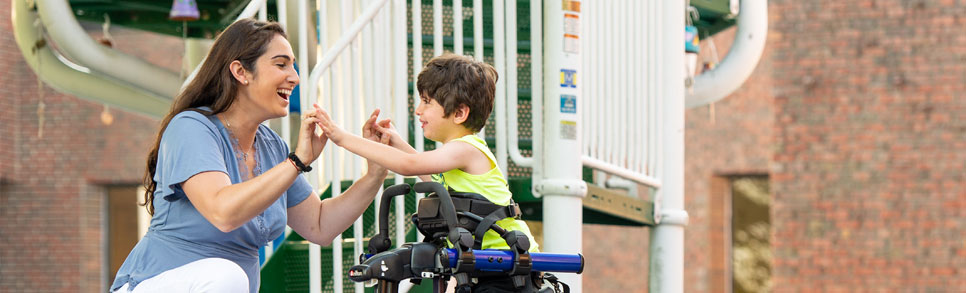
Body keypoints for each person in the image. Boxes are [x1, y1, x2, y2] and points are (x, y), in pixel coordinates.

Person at [111, 19, 388, 293]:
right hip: (155, 284)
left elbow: (319, 225)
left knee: (229, 277)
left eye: (293, 65)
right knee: (226, 275)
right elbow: (223, 212)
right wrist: (297, 162)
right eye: (281, 64)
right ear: (240, 72)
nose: (295, 76)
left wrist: (375, 173)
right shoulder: (191, 128)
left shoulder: (271, 146)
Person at [316, 54, 543, 292]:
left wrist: (341, 137)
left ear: (459, 113)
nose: (417, 110)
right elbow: (432, 179)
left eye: (426, 102)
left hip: (510, 269)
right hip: (487, 269)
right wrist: (397, 143)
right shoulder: (456, 154)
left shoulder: (467, 149)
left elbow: (409, 165)